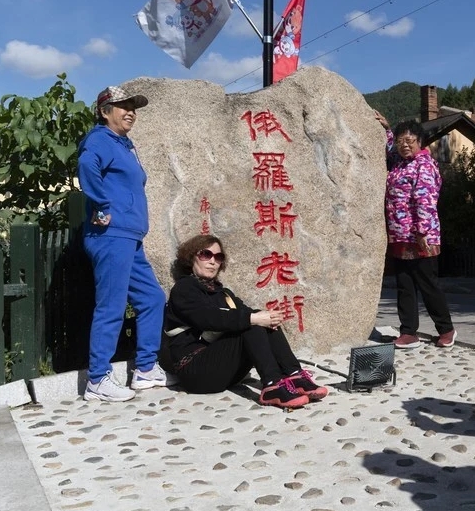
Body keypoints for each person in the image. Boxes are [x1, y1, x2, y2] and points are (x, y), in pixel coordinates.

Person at [159, 234, 328, 409]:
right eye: (205, 254)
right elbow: (207, 318)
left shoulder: (223, 293)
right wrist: (253, 318)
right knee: (251, 322)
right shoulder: (184, 288)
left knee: (260, 319)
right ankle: (272, 385)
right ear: (191, 257)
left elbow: (246, 313)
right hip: (195, 372)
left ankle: (295, 375)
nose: (212, 261)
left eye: (218, 257)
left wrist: (267, 318)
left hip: (224, 371)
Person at [78, 86, 168, 402]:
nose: (130, 111)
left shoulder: (124, 143)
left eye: (133, 107)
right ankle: (98, 380)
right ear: (105, 111)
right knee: (112, 307)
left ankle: (145, 370)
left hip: (130, 238)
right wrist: (102, 206)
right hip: (110, 236)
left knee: (153, 299)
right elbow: (87, 166)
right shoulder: (100, 140)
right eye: (122, 106)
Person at [375, 111, 457, 350]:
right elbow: (390, 150)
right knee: (405, 285)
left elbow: (425, 200)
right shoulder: (400, 163)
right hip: (400, 235)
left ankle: (446, 329)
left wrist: (422, 232)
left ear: (420, 142)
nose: (404, 145)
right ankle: (408, 332)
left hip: (421, 236)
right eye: (401, 141)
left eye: (409, 141)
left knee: (428, 284)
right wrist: (389, 130)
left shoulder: (424, 164)